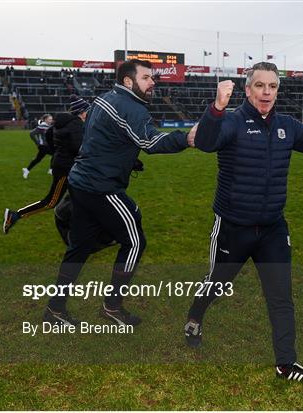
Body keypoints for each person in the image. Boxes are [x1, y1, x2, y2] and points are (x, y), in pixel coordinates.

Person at [185, 62, 303, 385]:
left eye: (272, 86)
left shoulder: (287, 126)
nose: (266, 92)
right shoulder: (231, 122)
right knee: (217, 283)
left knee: (281, 297)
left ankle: (286, 364)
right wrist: (216, 108)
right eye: (260, 86)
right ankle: (195, 317)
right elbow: (205, 143)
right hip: (233, 227)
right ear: (247, 90)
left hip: (272, 228)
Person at [43, 59, 195, 327]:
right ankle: (112, 307)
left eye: (153, 78)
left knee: (78, 248)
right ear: (128, 81)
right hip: (102, 187)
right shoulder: (131, 107)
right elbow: (151, 141)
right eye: (147, 78)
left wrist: (126, 159)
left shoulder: (103, 99)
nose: (153, 83)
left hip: (80, 182)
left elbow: (99, 137)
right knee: (135, 242)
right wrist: (187, 138)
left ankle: (55, 309)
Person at [3, 96, 90, 234]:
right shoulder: (76, 125)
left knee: (82, 197)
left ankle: (82, 228)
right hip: (65, 170)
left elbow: (49, 133)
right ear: (81, 112)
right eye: (88, 111)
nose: (89, 114)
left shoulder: (63, 122)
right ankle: (15, 215)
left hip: (67, 166)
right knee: (51, 202)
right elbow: (77, 147)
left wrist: (57, 150)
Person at [23, 114, 54, 179]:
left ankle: (27, 170)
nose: (51, 120)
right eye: (50, 119)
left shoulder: (48, 126)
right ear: (45, 119)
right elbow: (32, 133)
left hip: (46, 146)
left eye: (51, 119)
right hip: (44, 146)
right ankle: (51, 170)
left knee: (38, 159)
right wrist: (38, 143)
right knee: (56, 154)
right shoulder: (43, 125)